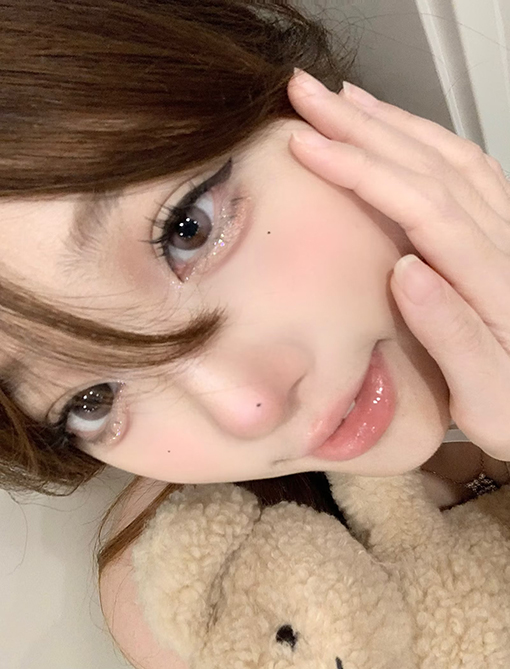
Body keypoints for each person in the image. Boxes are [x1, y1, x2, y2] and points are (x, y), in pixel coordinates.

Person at [1, 1, 509, 666]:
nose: (248, 409)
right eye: (91, 399)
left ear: (300, 97)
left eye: (187, 229)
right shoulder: (204, 588)